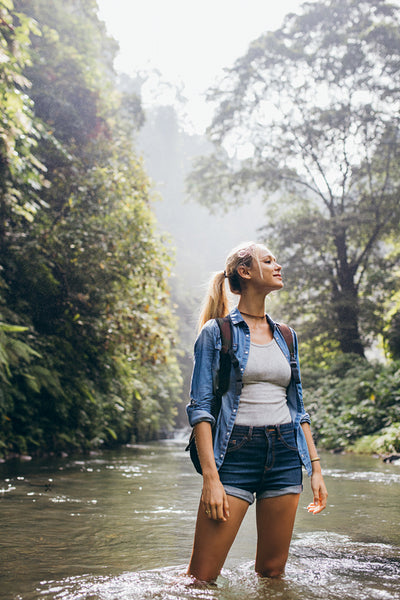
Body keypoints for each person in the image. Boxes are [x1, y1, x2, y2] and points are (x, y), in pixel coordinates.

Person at [186, 241, 328, 583]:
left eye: (276, 260)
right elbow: (201, 409)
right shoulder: (216, 333)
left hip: (285, 455)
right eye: (268, 260)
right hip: (234, 455)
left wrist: (316, 469)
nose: (278, 265)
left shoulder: (287, 337)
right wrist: (210, 478)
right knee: (200, 580)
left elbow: (298, 409)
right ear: (245, 272)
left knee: (272, 574)